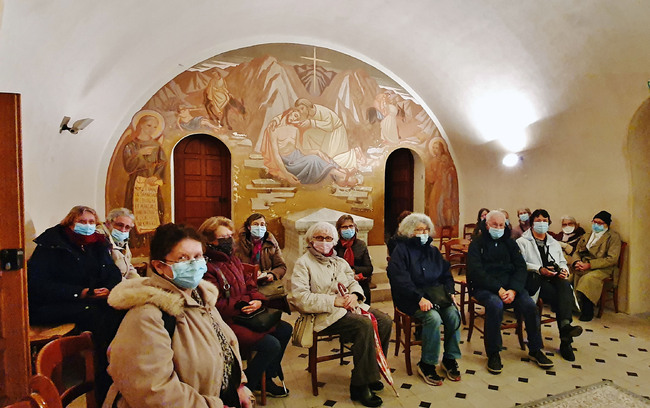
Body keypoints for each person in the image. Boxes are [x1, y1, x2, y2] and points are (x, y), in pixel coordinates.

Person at [103, 223, 253, 408]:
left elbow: (226, 346)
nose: (194, 264)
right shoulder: (147, 316)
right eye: (183, 258)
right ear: (159, 266)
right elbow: (153, 391)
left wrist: (238, 385)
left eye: (198, 257)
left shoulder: (201, 299)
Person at [287, 221, 392, 407]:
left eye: (328, 238)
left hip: (347, 307)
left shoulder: (339, 261)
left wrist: (354, 294)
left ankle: (371, 373)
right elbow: (299, 298)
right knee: (364, 325)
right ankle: (359, 385)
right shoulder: (304, 263)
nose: (324, 242)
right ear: (311, 240)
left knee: (384, 320)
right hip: (322, 314)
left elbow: (352, 282)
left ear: (334, 241)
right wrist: (332, 301)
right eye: (319, 238)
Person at [199, 216, 292, 398]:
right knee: (271, 345)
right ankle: (245, 383)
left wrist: (257, 300)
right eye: (224, 238)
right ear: (210, 241)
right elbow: (215, 303)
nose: (229, 241)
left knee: (285, 330)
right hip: (227, 320)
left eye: (230, 236)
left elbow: (250, 283)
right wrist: (242, 304)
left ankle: (267, 375)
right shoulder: (207, 267)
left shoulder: (231, 259)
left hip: (247, 312)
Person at [467, 210, 553, 374]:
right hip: (486, 288)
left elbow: (520, 268)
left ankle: (535, 350)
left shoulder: (511, 243)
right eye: (495, 225)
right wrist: (498, 290)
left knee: (530, 305)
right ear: (487, 225)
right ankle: (493, 353)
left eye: (501, 225)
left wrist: (513, 289)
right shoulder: (477, 244)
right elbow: (476, 272)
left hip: (511, 287)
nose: (498, 228)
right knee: (495, 305)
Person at [387, 213, 462, 385]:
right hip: (410, 298)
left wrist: (451, 292)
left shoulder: (433, 251)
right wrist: (419, 298)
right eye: (418, 230)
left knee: (453, 314)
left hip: (436, 296)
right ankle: (427, 364)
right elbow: (401, 281)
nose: (423, 233)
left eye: (426, 229)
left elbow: (446, 275)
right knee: (433, 317)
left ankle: (450, 359)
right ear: (409, 231)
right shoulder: (401, 251)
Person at [27, 205, 122, 331]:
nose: (87, 226)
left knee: (120, 309)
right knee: (95, 314)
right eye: (82, 222)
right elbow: (39, 285)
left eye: (91, 222)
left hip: (91, 298)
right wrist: (80, 293)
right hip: (54, 303)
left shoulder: (98, 243)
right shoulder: (51, 244)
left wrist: (108, 289)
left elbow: (112, 270)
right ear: (70, 223)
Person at [516, 209, 582, 361]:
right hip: (535, 279)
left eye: (545, 221)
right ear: (532, 223)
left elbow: (562, 262)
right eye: (538, 221)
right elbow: (520, 264)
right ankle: (566, 340)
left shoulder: (553, 242)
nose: (542, 224)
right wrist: (539, 269)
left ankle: (565, 331)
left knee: (564, 286)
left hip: (554, 278)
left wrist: (564, 271)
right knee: (562, 299)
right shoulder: (522, 242)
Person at [260, 108, 357, 187]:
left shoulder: (295, 130)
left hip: (298, 156)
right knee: (314, 160)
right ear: (290, 112)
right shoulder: (274, 130)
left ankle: (340, 172)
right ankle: (342, 175)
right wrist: (286, 174)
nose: (294, 119)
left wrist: (316, 151)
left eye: (297, 117)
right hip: (289, 162)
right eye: (295, 115)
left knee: (318, 155)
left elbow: (301, 150)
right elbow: (276, 154)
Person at [570, 211, 622, 322]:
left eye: (600, 223)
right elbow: (577, 251)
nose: (596, 225)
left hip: (602, 268)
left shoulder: (613, 237)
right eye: (594, 222)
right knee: (569, 275)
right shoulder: (588, 235)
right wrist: (577, 262)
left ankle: (588, 311)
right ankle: (573, 306)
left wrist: (590, 265)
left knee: (588, 279)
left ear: (607, 224)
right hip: (584, 263)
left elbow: (612, 259)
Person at [235, 213, 287, 282]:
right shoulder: (238, 244)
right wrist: (251, 271)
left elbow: (281, 267)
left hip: (264, 282)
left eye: (262, 224)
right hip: (244, 282)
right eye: (255, 224)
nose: (259, 227)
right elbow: (233, 267)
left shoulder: (271, 243)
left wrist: (272, 274)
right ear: (249, 227)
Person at [334, 214, 374, 304]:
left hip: (360, 284)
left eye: (350, 226)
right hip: (341, 286)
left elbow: (369, 269)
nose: (348, 229)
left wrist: (354, 270)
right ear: (339, 230)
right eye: (344, 227)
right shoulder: (335, 247)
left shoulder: (361, 245)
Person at [99, 207, 139, 280]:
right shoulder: (100, 238)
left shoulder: (122, 240)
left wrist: (140, 281)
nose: (123, 230)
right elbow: (108, 272)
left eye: (127, 227)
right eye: (119, 225)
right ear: (108, 223)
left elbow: (127, 264)